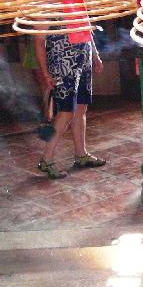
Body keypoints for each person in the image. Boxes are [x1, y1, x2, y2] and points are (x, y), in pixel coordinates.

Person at [36, 31, 105, 180]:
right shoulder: (47, 8)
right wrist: (45, 73)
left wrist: (95, 54)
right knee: (66, 111)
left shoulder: (80, 6)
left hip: (84, 57)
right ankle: (46, 160)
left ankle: (81, 154)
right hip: (62, 62)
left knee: (81, 107)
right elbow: (39, 41)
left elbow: (87, 28)